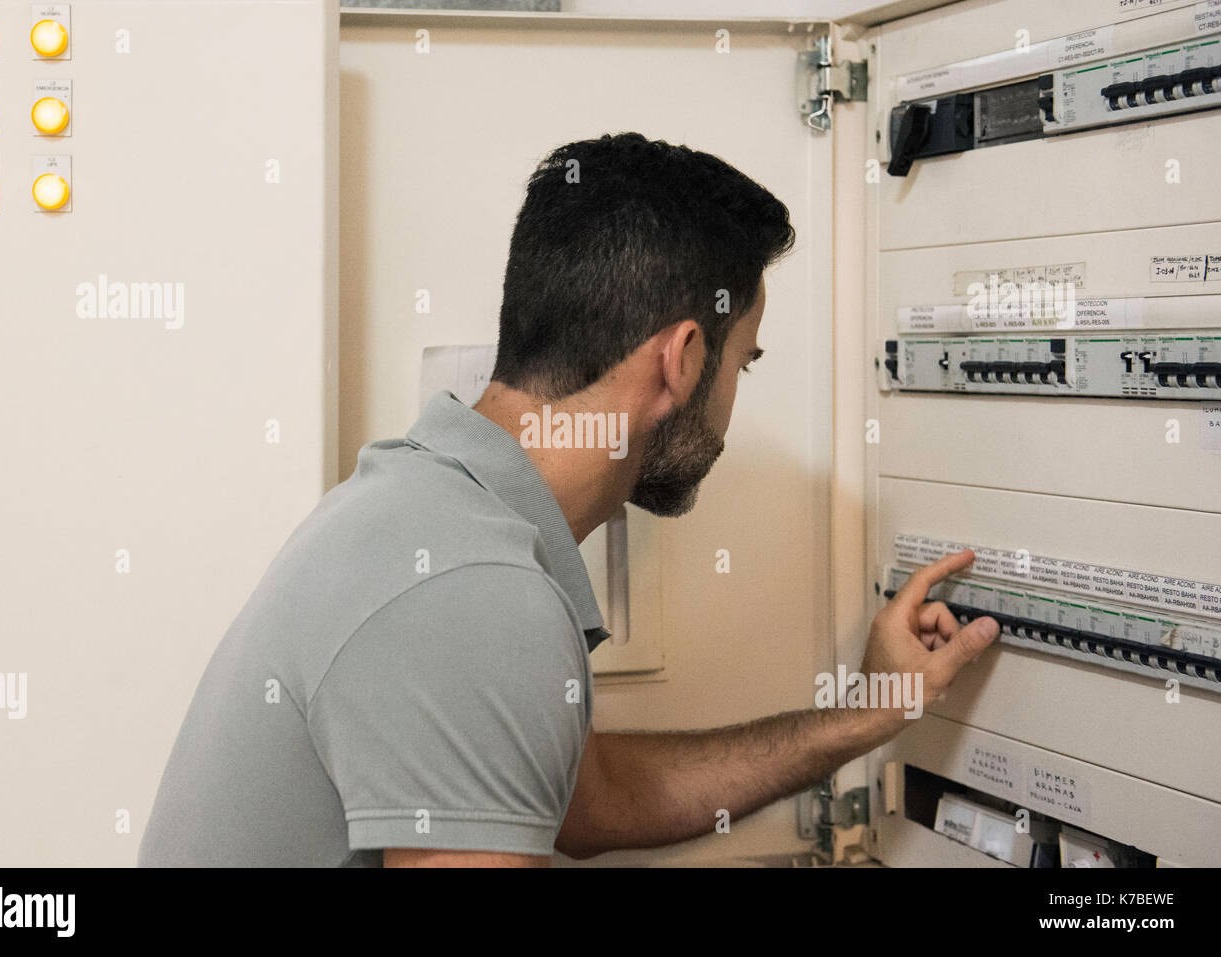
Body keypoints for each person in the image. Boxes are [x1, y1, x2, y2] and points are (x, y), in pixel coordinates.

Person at [138, 132, 1000, 868]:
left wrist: (868, 715)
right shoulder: (475, 590)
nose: (735, 395)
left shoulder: (424, 505)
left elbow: (588, 797)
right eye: (745, 363)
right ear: (683, 359)